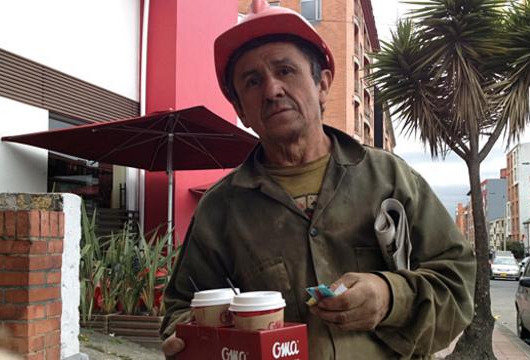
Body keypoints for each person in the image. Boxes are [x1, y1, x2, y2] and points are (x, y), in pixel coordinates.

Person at [159, 0, 476, 358]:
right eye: (252, 81)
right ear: (240, 111)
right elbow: (181, 310)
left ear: (322, 84)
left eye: (286, 70)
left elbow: (458, 282)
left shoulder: (390, 179)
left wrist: (391, 297)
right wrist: (197, 341)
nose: (271, 89)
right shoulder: (220, 209)